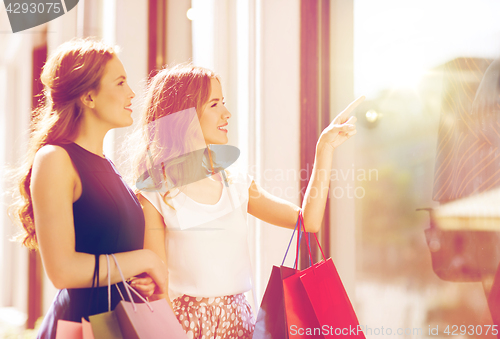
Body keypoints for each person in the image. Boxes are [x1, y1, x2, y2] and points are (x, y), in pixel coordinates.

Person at [131, 64, 362, 339]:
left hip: (240, 323)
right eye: (214, 104)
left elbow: (307, 222)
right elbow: (159, 288)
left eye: (224, 103)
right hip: (186, 328)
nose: (226, 114)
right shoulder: (156, 194)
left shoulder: (236, 184)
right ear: (184, 115)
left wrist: (324, 148)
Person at [9, 38, 167, 339]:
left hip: (123, 322)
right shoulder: (55, 159)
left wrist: (137, 277)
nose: (131, 93)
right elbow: (62, 271)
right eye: (120, 83)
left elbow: (111, 250)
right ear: (88, 97)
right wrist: (145, 260)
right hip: (83, 325)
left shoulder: (109, 166)